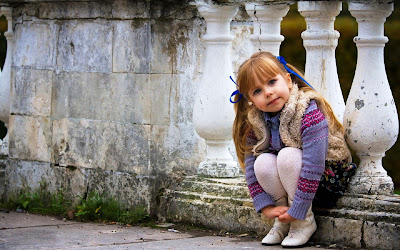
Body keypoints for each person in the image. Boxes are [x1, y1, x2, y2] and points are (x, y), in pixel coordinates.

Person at [231, 52, 356, 247]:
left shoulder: (307, 111)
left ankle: (303, 221)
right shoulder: (256, 121)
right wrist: (266, 206)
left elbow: (313, 166)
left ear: (288, 80)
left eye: (272, 82)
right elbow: (250, 168)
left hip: (325, 179)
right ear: (250, 100)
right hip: (294, 183)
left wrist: (298, 209)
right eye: (257, 91)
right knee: (262, 161)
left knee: (287, 155)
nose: (268, 92)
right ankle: (282, 221)